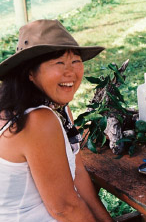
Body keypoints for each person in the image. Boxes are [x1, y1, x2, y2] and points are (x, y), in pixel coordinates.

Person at [0, 20, 113, 221]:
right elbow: (65, 208)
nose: (70, 72)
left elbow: (77, 173)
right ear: (31, 73)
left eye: (76, 62)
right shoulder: (37, 120)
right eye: (58, 63)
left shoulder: (56, 108)